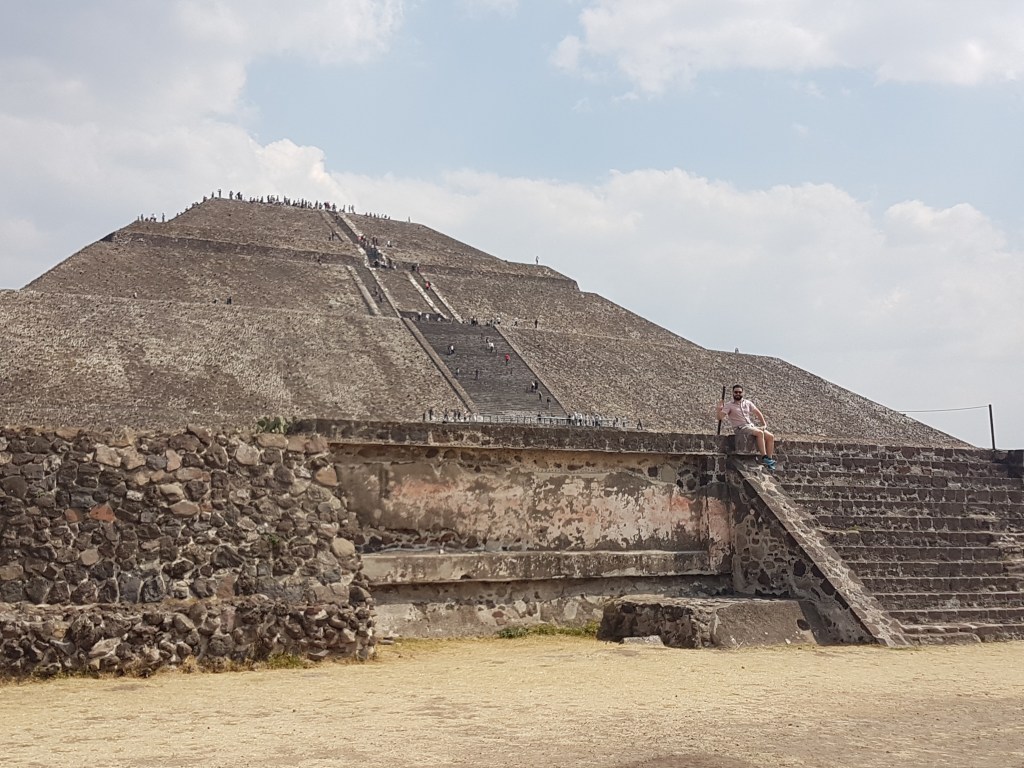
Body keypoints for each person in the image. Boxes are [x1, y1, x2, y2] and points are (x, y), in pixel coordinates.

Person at [717, 384, 776, 469]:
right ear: (733, 393)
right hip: (740, 428)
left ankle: (770, 461)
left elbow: (757, 412)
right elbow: (719, 417)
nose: (738, 394)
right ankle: (764, 457)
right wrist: (718, 409)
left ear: (743, 393)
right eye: (736, 392)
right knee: (759, 433)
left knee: (770, 436)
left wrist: (764, 424)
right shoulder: (729, 405)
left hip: (750, 426)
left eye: (739, 392)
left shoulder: (747, 403)